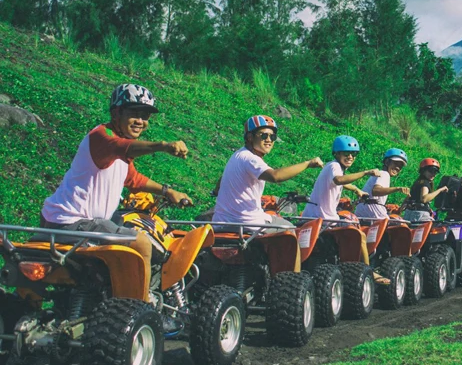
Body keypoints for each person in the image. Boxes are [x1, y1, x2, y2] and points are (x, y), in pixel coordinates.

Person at [40, 84, 192, 300]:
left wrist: (168, 191)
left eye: (145, 116)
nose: (141, 121)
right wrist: (164, 145)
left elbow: (133, 178)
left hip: (61, 220)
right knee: (142, 243)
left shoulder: (117, 147)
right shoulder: (102, 136)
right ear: (116, 112)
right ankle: (140, 306)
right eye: (134, 114)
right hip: (75, 222)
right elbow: (124, 148)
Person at [212, 115, 323, 228]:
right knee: (294, 231)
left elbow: (222, 178)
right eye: (264, 135)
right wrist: (307, 164)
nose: (269, 140)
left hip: (222, 220)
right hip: (247, 222)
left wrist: (215, 191)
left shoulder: (238, 155)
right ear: (250, 137)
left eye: (272, 136)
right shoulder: (251, 159)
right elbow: (275, 176)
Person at [300, 135, 381, 221]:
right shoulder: (335, 166)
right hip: (323, 219)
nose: (350, 157)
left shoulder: (331, 165)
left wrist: (356, 190)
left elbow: (341, 181)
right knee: (358, 230)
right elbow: (339, 180)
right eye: (346, 153)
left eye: (353, 153)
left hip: (313, 216)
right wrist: (366, 172)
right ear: (337, 153)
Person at [354, 148, 411, 219]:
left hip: (362, 212)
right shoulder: (384, 174)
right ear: (387, 162)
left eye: (400, 166)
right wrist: (397, 189)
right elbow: (376, 191)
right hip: (374, 214)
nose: (398, 168)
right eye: (395, 163)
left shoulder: (379, 174)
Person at [402, 158, 449, 222]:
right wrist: (440, 190)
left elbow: (408, 197)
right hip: (419, 215)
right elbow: (424, 199)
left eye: (435, 172)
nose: (433, 174)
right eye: (431, 171)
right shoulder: (425, 183)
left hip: (409, 213)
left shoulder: (417, 182)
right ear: (423, 170)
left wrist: (401, 208)